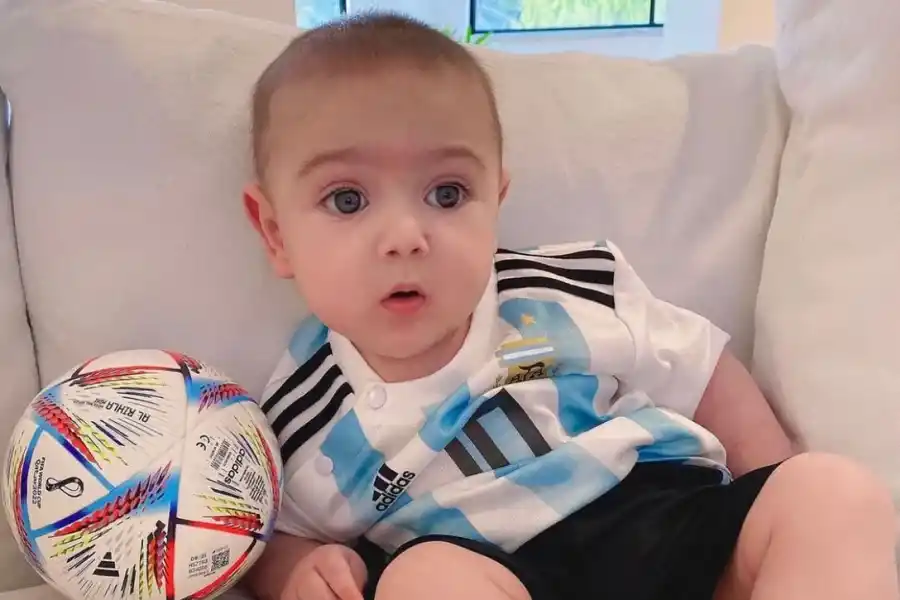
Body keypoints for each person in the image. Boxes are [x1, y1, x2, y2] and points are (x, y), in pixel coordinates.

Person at [240, 12, 899, 600]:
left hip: (660, 523)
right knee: (423, 582)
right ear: (274, 234)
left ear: (496, 200)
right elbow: (272, 536)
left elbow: (702, 368)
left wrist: (773, 475)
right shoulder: (302, 412)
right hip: (491, 568)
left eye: (446, 194)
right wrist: (294, 570)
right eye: (348, 200)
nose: (407, 237)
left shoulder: (564, 289)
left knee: (831, 494)